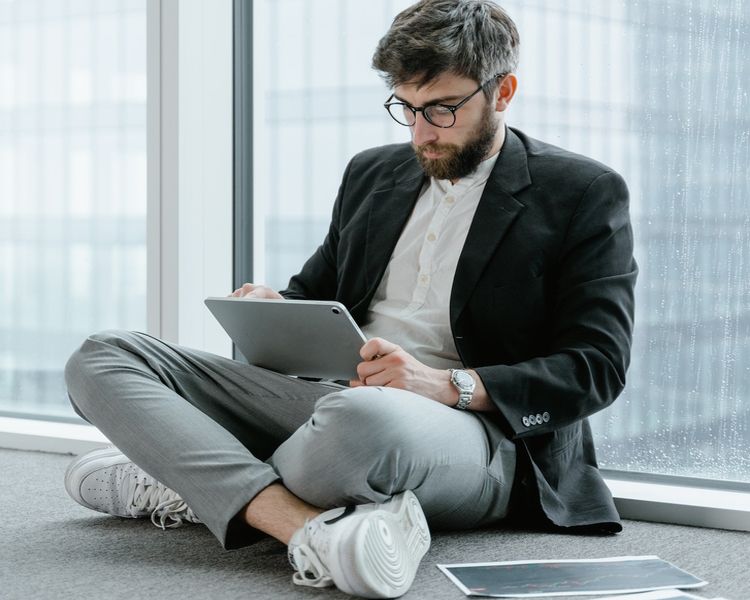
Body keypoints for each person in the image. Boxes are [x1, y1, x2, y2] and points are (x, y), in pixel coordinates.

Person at [63, 0, 637, 598]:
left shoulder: (582, 192)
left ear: (503, 90)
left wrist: (444, 385)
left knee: (356, 423)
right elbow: (317, 296)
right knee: (102, 355)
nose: (421, 132)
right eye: (406, 107)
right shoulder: (372, 174)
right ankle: (306, 525)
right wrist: (277, 308)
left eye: (442, 108)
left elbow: (596, 367)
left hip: (472, 431)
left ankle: (189, 477)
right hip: (328, 402)